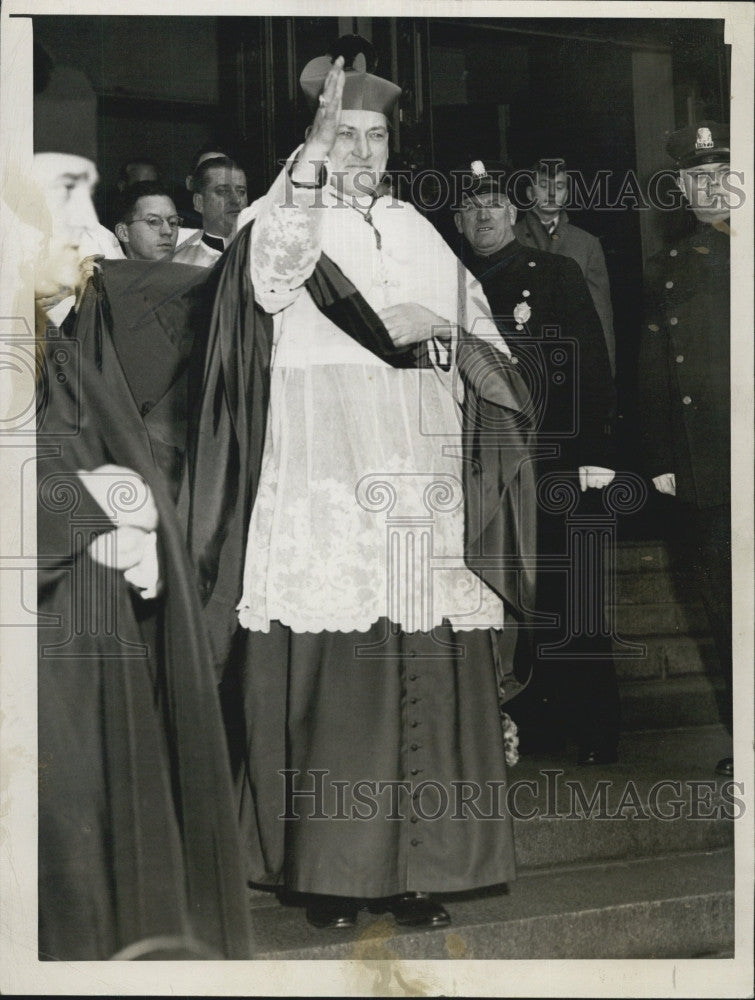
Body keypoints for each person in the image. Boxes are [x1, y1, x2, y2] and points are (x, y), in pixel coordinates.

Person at [184, 36, 535, 931]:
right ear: (313, 142)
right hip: (326, 475)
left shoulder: (416, 226)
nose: (364, 154)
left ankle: (416, 871)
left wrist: (453, 342)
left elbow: (485, 333)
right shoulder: (282, 216)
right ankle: (327, 873)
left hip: (417, 474)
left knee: (421, 659)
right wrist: (303, 174)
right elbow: (267, 283)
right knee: (334, 682)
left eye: (376, 138)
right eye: (346, 136)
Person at [31, 51, 251, 959]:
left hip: (89, 655)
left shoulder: (46, 339)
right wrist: (93, 512)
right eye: (70, 213)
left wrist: (126, 502)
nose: (95, 240)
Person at [453, 159, 620, 765]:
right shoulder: (446, 281)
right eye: (473, 206)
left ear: (515, 214)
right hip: (478, 466)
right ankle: (523, 727)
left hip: (553, 457)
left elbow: (591, 367)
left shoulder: (553, 272)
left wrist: (597, 455)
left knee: (569, 590)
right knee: (502, 595)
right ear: (458, 217)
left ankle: (594, 729)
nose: (485, 214)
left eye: (495, 204)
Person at [637, 122, 733, 777]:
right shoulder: (672, 267)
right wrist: (664, 459)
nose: (707, 186)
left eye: (719, 171)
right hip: (716, 470)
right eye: (694, 177)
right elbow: (655, 373)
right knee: (729, 613)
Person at [514, 159, 616, 376]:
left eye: (559, 187)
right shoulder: (508, 238)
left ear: (567, 195)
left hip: (572, 364)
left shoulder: (587, 243)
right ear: (530, 193)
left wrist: (606, 373)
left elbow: (601, 317)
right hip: (521, 362)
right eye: (544, 186)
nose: (551, 194)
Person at [173, 155, 248, 266]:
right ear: (199, 203)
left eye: (241, 191)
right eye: (223, 191)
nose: (236, 200)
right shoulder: (179, 264)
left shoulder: (268, 255)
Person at [114, 181, 183, 261]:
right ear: (123, 233)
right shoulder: (105, 273)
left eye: (173, 223)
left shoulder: (192, 273)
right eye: (153, 221)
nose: (168, 231)